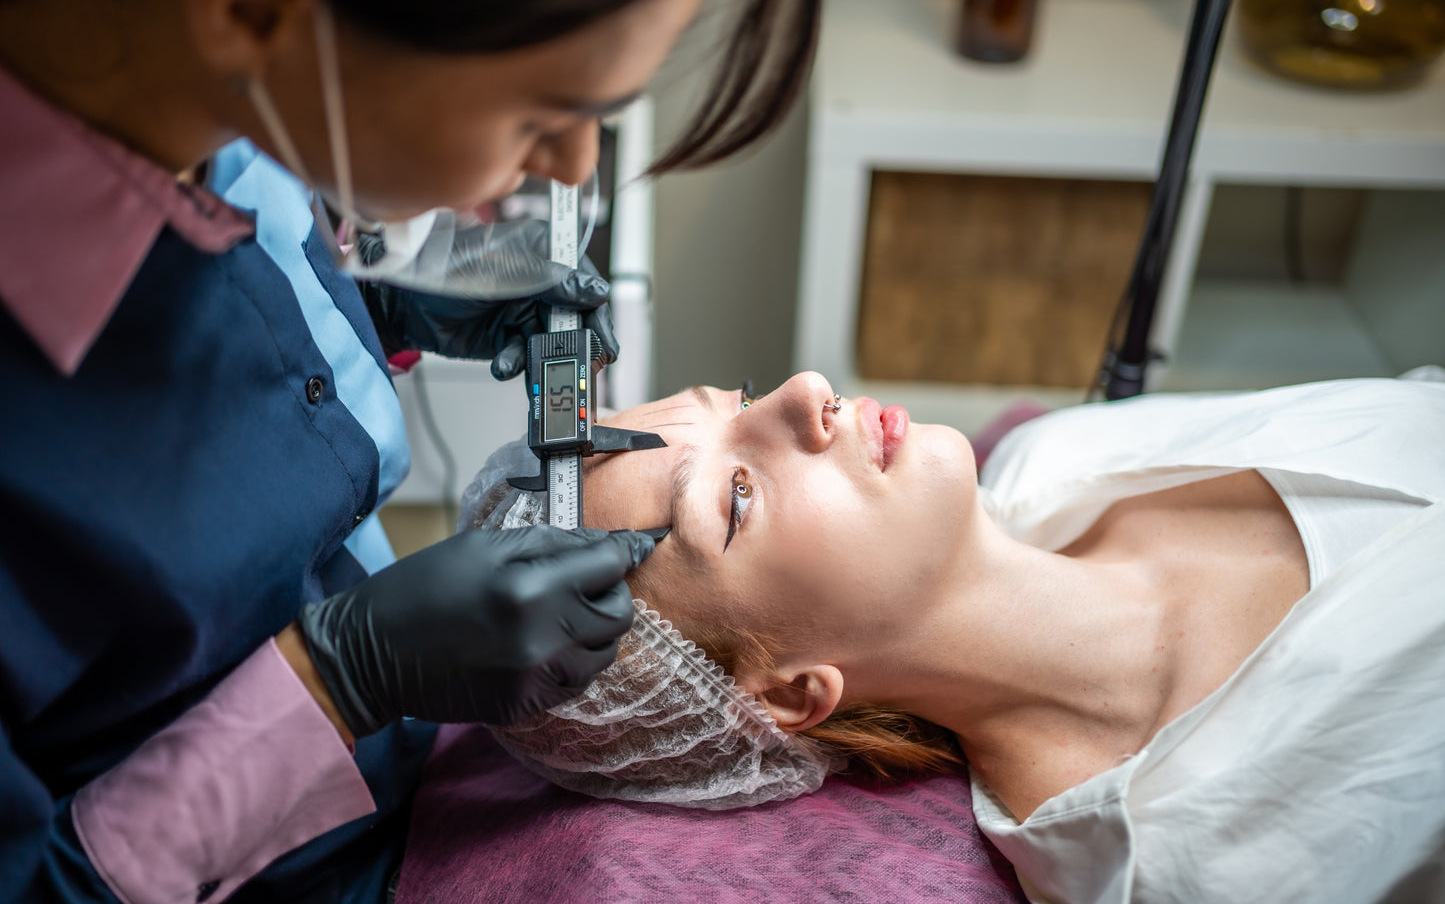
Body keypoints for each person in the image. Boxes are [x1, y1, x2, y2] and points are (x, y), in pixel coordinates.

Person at [0, 0, 823, 901]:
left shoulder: (210, 98)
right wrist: (333, 681)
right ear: (254, 14)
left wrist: (375, 303)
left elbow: (224, 331)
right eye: (543, 113)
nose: (570, 164)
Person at [464, 369, 1445, 903]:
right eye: (735, 494)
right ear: (785, 692)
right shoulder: (1186, 856)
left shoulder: (1063, 447)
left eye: (733, 400)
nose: (805, 394)